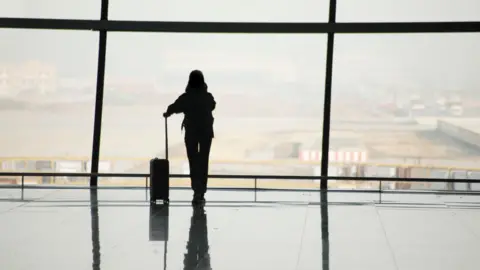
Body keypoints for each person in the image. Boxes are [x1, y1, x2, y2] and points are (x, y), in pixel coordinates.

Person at [163, 70, 216, 204]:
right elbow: (212, 105)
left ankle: (196, 189)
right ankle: (201, 191)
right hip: (206, 133)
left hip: (191, 132)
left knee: (193, 160)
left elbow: (175, 107)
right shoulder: (207, 96)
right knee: (204, 160)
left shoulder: (187, 97)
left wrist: (167, 113)